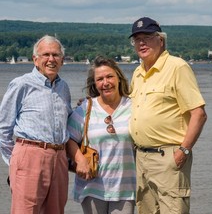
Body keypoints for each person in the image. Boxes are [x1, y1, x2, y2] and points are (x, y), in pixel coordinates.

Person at [128, 17, 208, 214]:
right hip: (141, 159)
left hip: (168, 157)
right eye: (137, 39)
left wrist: (184, 151)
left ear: (161, 40)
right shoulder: (138, 73)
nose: (141, 43)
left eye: (147, 37)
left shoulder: (177, 67)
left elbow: (199, 113)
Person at [0, 35, 72, 214]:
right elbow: (3, 128)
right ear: (35, 59)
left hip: (59, 158)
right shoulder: (21, 84)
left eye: (55, 55)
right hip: (29, 157)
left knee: (56, 210)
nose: (51, 59)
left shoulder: (64, 88)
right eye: (45, 54)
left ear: (62, 60)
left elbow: (68, 123)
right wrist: (17, 160)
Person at [66, 56, 136, 214]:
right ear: (95, 83)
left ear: (118, 77)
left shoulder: (133, 106)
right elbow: (68, 138)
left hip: (125, 187)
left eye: (110, 76)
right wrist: (80, 159)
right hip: (92, 186)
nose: (106, 83)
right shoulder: (86, 108)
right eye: (100, 79)